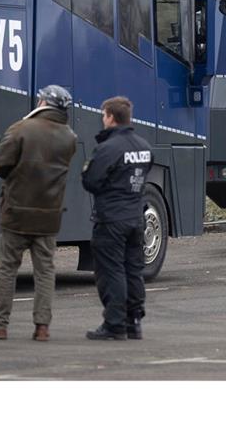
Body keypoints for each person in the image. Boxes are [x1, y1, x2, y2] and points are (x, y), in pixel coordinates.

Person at [0, 85, 77, 342]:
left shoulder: (21, 129)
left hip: (16, 213)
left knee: (7, 269)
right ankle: (42, 327)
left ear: (44, 101)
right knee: (45, 271)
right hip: (49, 215)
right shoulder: (69, 137)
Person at [81, 96, 153, 341]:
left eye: (104, 115)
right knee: (133, 270)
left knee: (111, 272)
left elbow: (91, 181)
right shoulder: (143, 146)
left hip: (111, 219)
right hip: (135, 217)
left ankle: (114, 324)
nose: (103, 119)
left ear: (111, 117)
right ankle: (134, 322)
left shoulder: (108, 148)